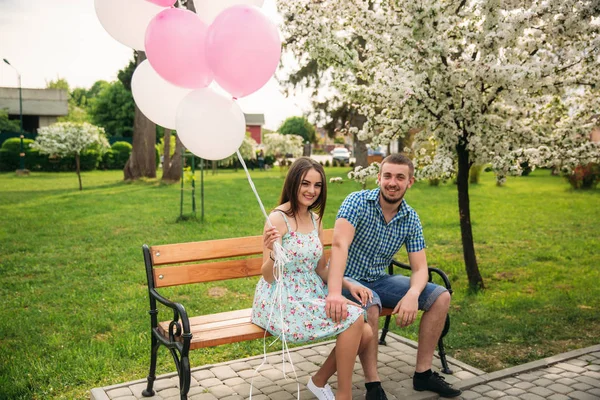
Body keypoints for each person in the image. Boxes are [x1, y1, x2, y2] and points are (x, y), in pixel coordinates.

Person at [325, 154, 462, 399]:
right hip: (346, 278)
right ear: (379, 178)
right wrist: (336, 289)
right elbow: (339, 245)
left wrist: (412, 294)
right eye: (387, 176)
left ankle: (423, 374)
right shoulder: (356, 202)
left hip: (380, 279)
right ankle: (373, 385)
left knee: (440, 296)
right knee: (372, 303)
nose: (392, 182)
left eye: (400, 177)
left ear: (410, 182)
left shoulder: (411, 218)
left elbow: (420, 268)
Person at [251, 157, 373, 400]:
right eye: (305, 184)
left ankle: (318, 381)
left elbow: (321, 268)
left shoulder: (315, 219)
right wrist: (275, 255)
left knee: (366, 332)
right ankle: (344, 395)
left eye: (317, 186)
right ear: (294, 182)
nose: (311, 191)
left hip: (310, 292)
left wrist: (348, 283)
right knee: (357, 318)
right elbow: (266, 276)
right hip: (280, 297)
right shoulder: (277, 219)